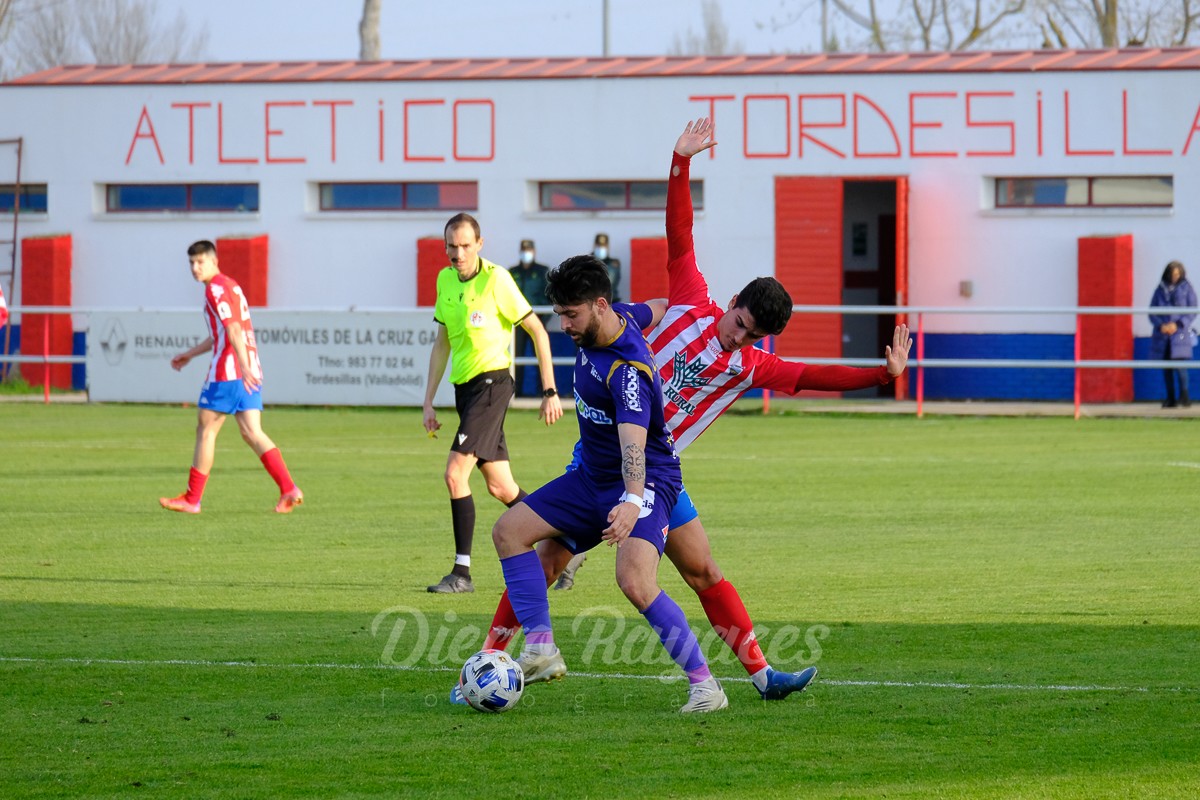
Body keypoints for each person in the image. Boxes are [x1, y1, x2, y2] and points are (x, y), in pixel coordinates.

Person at [478, 117, 912, 701]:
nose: (739, 339)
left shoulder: (750, 366)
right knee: (545, 553)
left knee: (701, 571)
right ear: (730, 302)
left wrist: (880, 375)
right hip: (609, 462)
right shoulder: (689, 301)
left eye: (753, 336)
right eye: (740, 323)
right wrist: (680, 162)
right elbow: (679, 233)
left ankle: (760, 676)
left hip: (659, 475)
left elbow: (810, 376)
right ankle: (492, 661)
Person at [489, 255, 728, 713]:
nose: (563, 325)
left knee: (635, 580)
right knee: (508, 532)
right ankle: (540, 650)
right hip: (590, 477)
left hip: (647, 480)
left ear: (599, 305)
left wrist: (632, 501)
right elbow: (658, 307)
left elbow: (634, 447)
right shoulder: (618, 317)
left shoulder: (627, 372)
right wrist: (688, 314)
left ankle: (706, 687)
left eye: (570, 315)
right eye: (558, 314)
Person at [423, 213, 564, 593]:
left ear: (480, 244)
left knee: (455, 475)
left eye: (466, 245)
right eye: (452, 245)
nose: (458, 252)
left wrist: (549, 391)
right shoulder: (444, 279)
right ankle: (568, 540)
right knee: (502, 488)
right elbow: (442, 343)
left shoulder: (497, 279)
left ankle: (462, 573)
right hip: (465, 391)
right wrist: (428, 401)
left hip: (492, 385)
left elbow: (536, 329)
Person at [159, 240, 303, 514]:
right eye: (191, 262)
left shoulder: (214, 289)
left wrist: (243, 365)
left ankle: (192, 499)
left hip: (230, 371)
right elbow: (222, 334)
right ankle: (288, 489)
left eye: (200, 262)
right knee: (252, 432)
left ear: (214, 261)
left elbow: (233, 329)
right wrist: (191, 354)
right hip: (248, 368)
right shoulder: (230, 285)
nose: (195, 267)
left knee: (206, 430)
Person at [1149, 260, 1197, 408]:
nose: (1175, 277)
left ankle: (1185, 396)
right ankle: (1170, 398)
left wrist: (1177, 324)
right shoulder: (1160, 289)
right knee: (1167, 368)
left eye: (1177, 274)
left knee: (1181, 366)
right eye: (1172, 274)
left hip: (1180, 333)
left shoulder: (1187, 289)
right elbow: (1152, 310)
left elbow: (1192, 310)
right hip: (1164, 335)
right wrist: (1161, 325)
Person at [508, 239, 551, 397]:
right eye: (524, 250)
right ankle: (515, 392)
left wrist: (543, 319)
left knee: (541, 356)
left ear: (534, 251)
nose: (526, 253)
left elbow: (549, 296)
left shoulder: (542, 271)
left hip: (537, 321)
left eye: (529, 250)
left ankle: (545, 391)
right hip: (517, 322)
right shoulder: (512, 272)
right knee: (515, 357)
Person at [593, 232, 621, 303]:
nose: (601, 248)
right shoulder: (586, 262)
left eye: (604, 246)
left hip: (611, 302)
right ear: (594, 245)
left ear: (608, 246)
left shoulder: (613, 264)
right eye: (599, 245)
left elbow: (610, 283)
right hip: (592, 302)